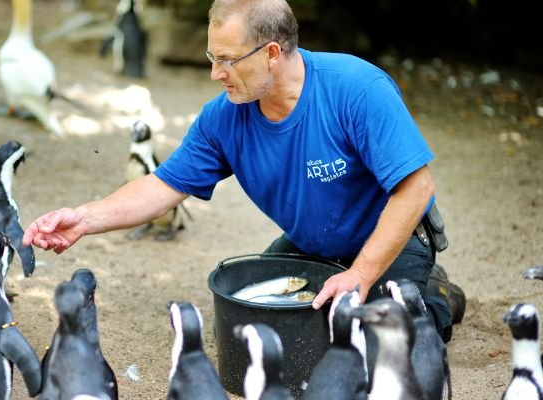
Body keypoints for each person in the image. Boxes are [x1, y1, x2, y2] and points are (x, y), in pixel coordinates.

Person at [23, 0, 464, 341]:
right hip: (312, 247)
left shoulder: (357, 89)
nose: (215, 74)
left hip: (394, 239)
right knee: (257, 327)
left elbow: (416, 186)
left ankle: (438, 295)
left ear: (272, 53)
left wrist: (363, 274)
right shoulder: (224, 117)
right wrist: (83, 219)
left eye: (228, 60)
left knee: (381, 339)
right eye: (212, 57)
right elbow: (161, 186)